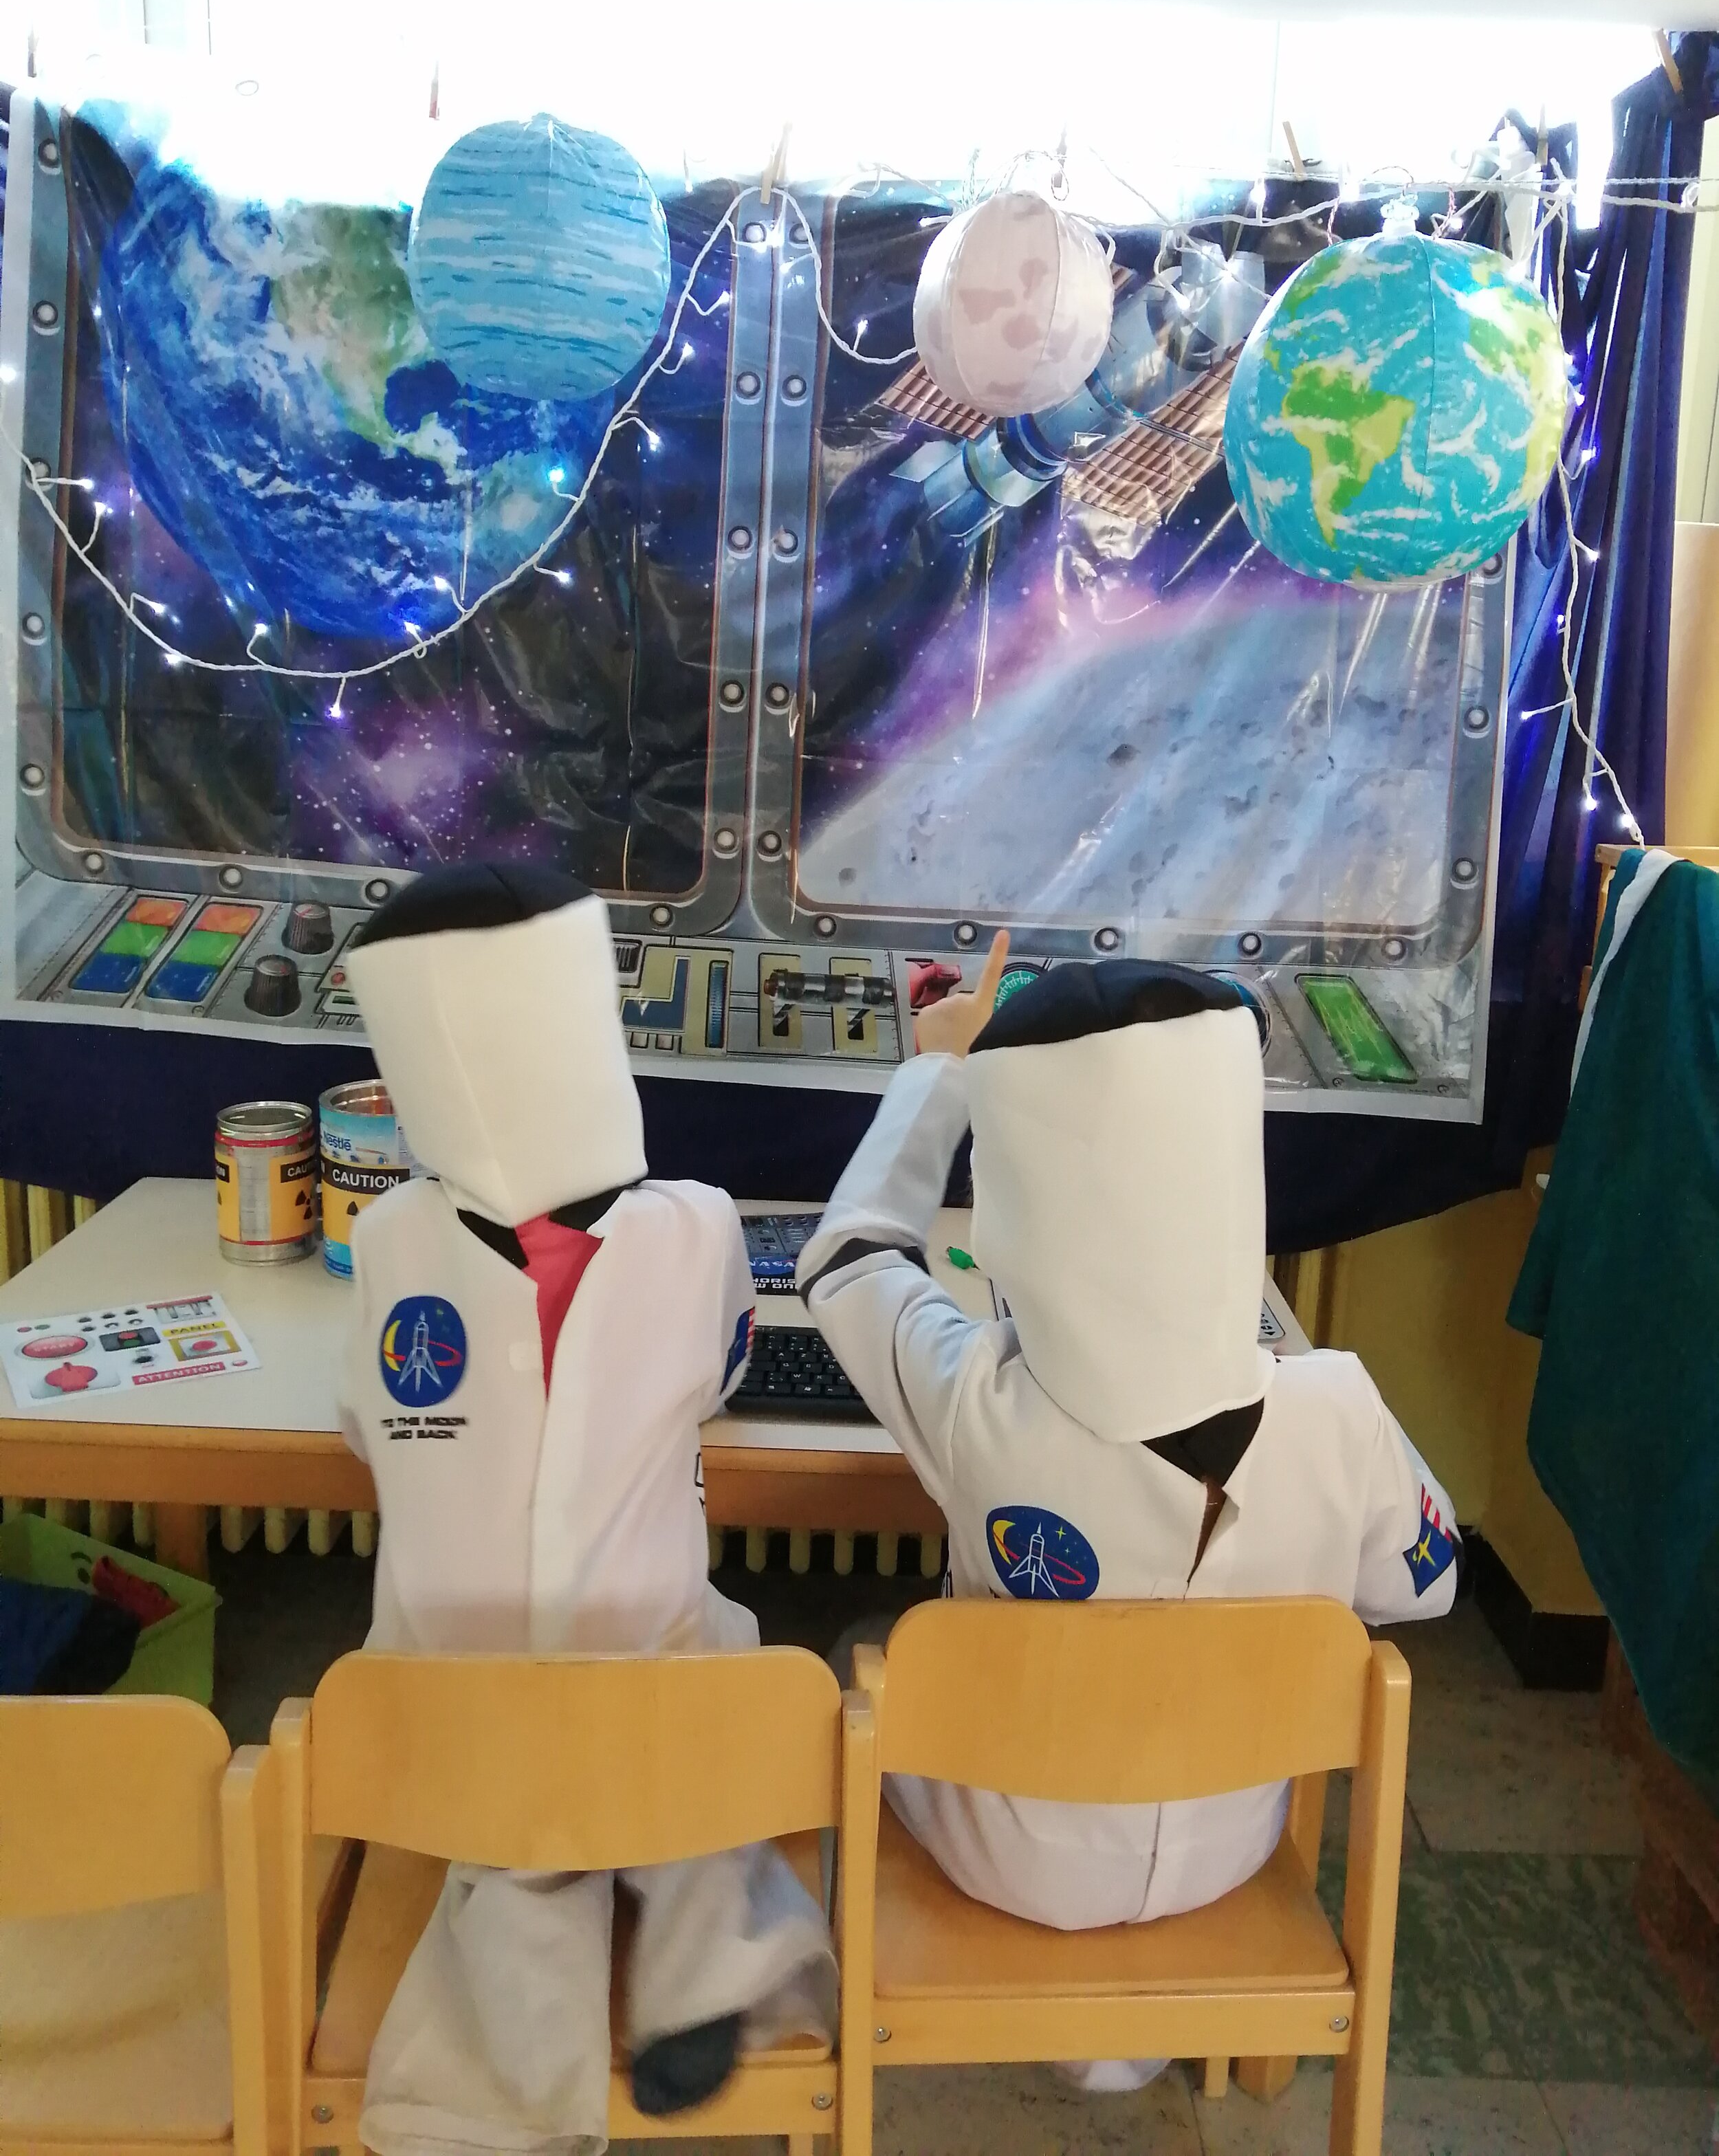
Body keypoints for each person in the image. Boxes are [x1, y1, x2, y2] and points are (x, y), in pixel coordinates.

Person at [800, 934, 1459, 2092]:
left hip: (1010, 1863)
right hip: (1225, 1853)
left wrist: (939, 1070)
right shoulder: (1341, 1410)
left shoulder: (976, 1404)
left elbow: (846, 1260)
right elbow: (1428, 1582)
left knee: (862, 1652)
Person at [340, 862, 834, 2156]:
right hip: (648, 1679)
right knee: (707, 1737)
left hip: (445, 1700)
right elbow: (723, 1367)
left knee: (500, 1849)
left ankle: (515, 2031)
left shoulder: (386, 1242)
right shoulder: (696, 1227)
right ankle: (703, 1960)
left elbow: (360, 1418)